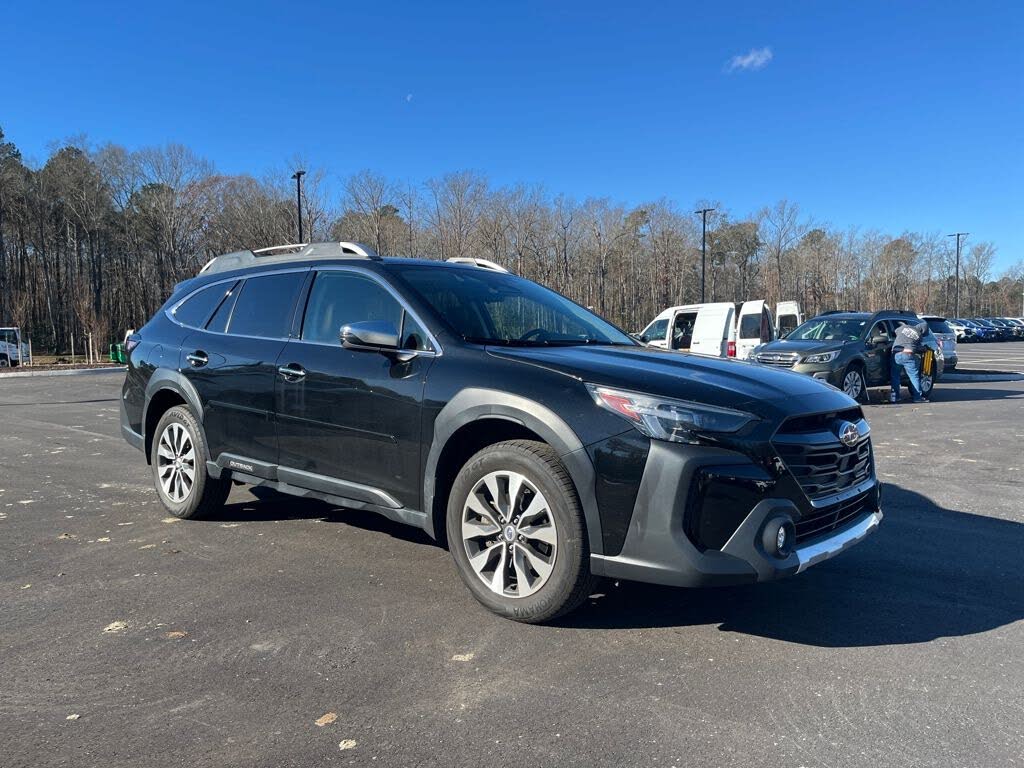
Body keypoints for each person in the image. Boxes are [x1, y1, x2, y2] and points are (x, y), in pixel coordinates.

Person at [890, 319, 930, 403]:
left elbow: (895, 332)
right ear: (922, 331)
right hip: (908, 354)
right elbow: (917, 348)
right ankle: (917, 398)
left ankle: (895, 397)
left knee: (895, 376)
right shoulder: (919, 335)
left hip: (896, 353)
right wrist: (924, 349)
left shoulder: (904, 327)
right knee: (913, 376)